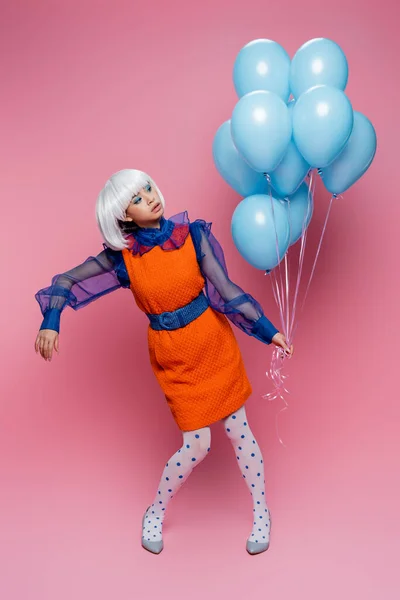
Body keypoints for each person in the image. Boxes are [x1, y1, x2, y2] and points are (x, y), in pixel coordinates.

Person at [34, 169, 293, 556]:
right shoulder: (123, 259)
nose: (150, 197)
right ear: (123, 218)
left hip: (214, 344)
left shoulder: (192, 235)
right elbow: (66, 281)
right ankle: (155, 511)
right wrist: (51, 322)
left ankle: (261, 511)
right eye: (136, 199)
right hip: (173, 357)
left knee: (240, 430)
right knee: (197, 444)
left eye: (148, 188)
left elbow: (225, 290)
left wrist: (267, 330)